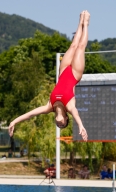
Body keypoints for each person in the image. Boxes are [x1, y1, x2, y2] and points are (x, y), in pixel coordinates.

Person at [8, 10, 90, 142]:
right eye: (62, 124)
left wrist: (14, 122)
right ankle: (85, 23)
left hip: (63, 71)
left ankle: (80, 21)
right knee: (79, 47)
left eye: (58, 125)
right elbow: (76, 113)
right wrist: (80, 125)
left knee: (73, 45)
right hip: (74, 74)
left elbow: (30, 114)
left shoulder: (49, 106)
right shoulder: (69, 106)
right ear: (66, 118)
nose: (59, 124)